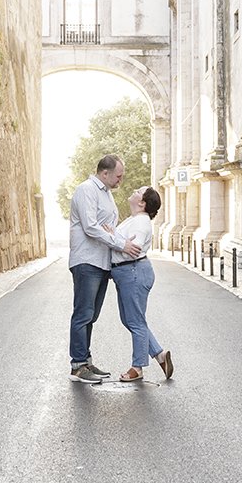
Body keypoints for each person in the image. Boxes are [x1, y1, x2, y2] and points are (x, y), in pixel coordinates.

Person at [67, 154, 140, 384]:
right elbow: (91, 227)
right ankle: (77, 366)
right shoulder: (86, 190)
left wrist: (115, 236)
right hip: (87, 261)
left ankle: (86, 361)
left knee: (92, 315)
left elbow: (109, 228)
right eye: (118, 175)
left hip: (102, 262)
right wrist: (121, 244)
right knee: (83, 314)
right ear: (105, 173)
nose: (121, 180)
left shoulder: (107, 194)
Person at [106, 187, 172, 382]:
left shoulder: (141, 223)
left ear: (142, 203)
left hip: (133, 272)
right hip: (127, 273)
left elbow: (132, 248)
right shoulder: (135, 219)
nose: (134, 191)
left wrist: (112, 236)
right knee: (130, 320)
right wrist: (115, 236)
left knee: (135, 321)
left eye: (138, 191)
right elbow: (123, 242)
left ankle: (138, 367)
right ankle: (160, 356)